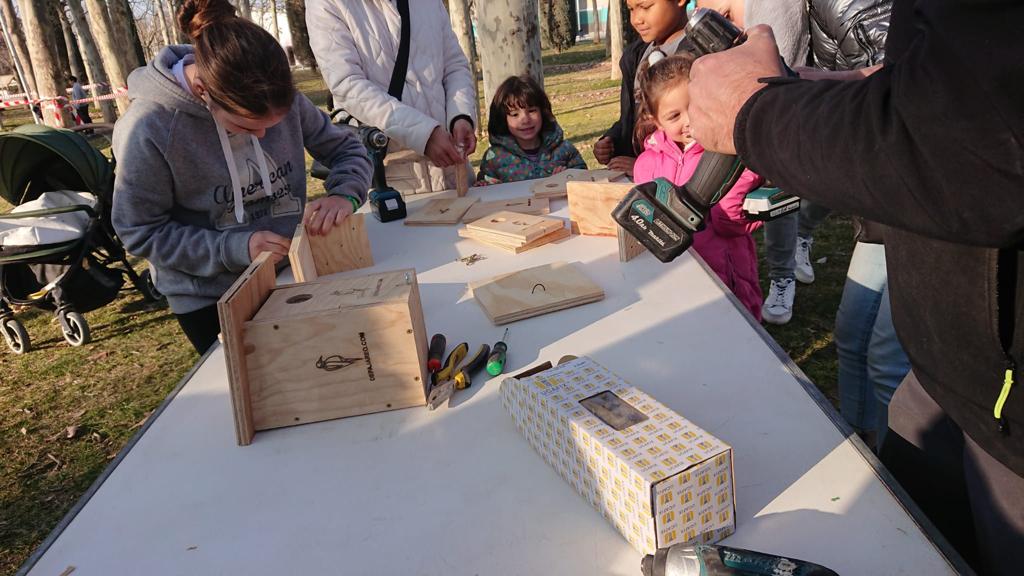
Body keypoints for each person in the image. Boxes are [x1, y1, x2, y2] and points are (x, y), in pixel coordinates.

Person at [686, 2, 1024, 573]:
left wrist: (757, 113)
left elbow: (986, 146)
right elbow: (948, 77)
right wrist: (844, 90)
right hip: (944, 384)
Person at [111, 0, 372, 355]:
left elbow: (349, 150)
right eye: (246, 127)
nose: (263, 137)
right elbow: (138, 230)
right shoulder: (149, 129)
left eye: (273, 126)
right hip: (210, 297)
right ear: (204, 92)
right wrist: (233, 249)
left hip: (290, 274)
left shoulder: (283, 98)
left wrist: (346, 194)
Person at [632, 54, 764, 320]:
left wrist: (727, 203)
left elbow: (733, 221)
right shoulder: (646, 164)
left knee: (741, 334)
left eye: (694, 107)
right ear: (655, 120)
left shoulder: (730, 150)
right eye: (673, 116)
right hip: (673, 279)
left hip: (728, 274)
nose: (688, 121)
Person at [305, 0, 477, 196]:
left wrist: (461, 116)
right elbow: (347, 85)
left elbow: (454, 66)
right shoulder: (326, 3)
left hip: (454, 173)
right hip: (388, 182)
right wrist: (425, 135)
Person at [594, 0, 689, 178]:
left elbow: (696, 143)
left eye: (645, 7)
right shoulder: (635, 56)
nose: (636, 19)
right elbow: (634, 116)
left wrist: (645, 166)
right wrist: (612, 140)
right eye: (631, 9)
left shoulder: (700, 55)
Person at [475, 75, 586, 185]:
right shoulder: (494, 158)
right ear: (503, 119)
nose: (525, 120)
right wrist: (486, 186)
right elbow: (484, 188)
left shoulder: (564, 150)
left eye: (532, 111)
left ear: (543, 112)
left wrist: (568, 178)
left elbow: (585, 180)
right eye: (514, 114)